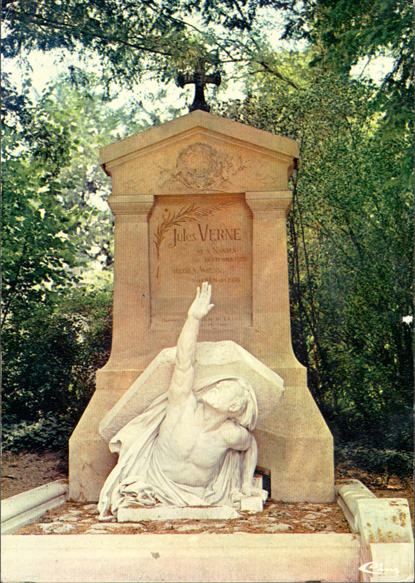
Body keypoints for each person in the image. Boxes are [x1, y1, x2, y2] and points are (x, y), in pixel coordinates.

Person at [98, 282, 265, 520]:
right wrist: (194, 319)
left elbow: (250, 446)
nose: (218, 386)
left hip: (199, 494)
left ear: (234, 407)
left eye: (226, 387)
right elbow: (184, 362)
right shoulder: (183, 406)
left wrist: (246, 484)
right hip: (156, 484)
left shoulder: (230, 434)